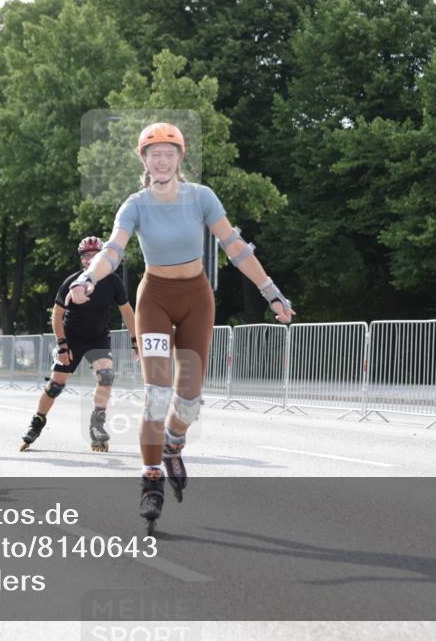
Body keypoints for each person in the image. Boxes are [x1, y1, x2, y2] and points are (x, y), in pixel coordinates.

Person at [66, 122, 296, 533]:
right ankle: (150, 476)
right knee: (156, 394)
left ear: (179, 158)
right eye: (154, 153)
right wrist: (88, 279)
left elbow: (236, 247)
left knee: (188, 401)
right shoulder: (134, 204)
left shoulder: (201, 197)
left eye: (169, 153)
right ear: (144, 160)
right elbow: (113, 249)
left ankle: (174, 443)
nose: (162, 160)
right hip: (154, 297)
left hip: (196, 298)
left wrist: (271, 291)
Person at [20, 236, 137, 452]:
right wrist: (62, 346)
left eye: (96, 255)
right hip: (71, 338)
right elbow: (56, 316)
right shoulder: (72, 282)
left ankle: (97, 424)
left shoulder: (112, 281)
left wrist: (135, 339)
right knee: (55, 386)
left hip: (97, 338)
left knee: (107, 375)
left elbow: (127, 311)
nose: (91, 259)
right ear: (82, 260)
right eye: (87, 256)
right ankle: (37, 422)